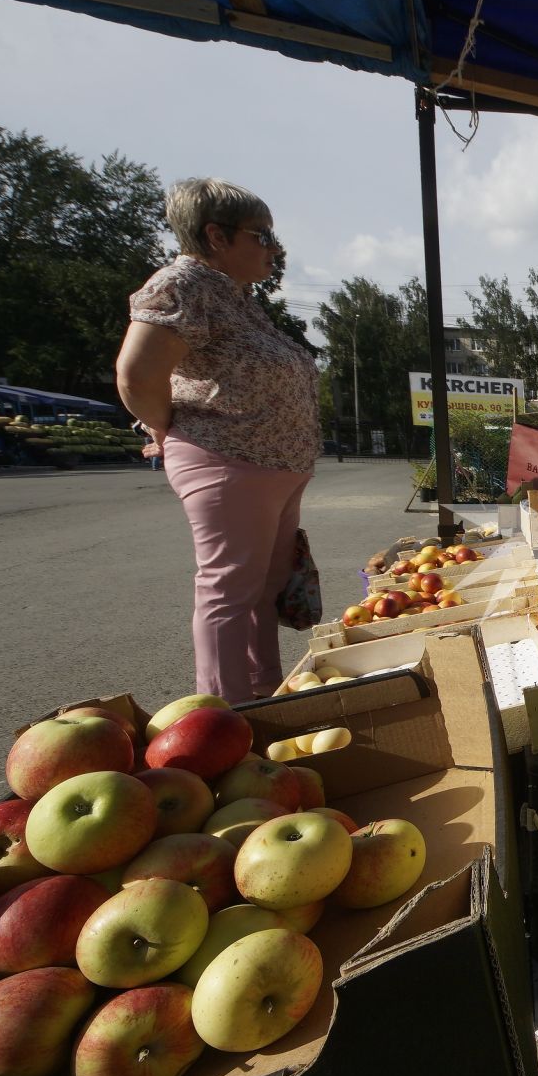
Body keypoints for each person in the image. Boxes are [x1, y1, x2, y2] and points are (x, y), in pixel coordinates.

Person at [114, 178, 320, 702]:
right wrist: (169, 429)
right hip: (228, 460)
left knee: (263, 591)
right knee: (230, 591)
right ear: (216, 236)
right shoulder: (182, 285)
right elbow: (136, 376)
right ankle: (226, 717)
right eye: (262, 235)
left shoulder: (238, 298)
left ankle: (265, 698)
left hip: (273, 468)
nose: (274, 248)